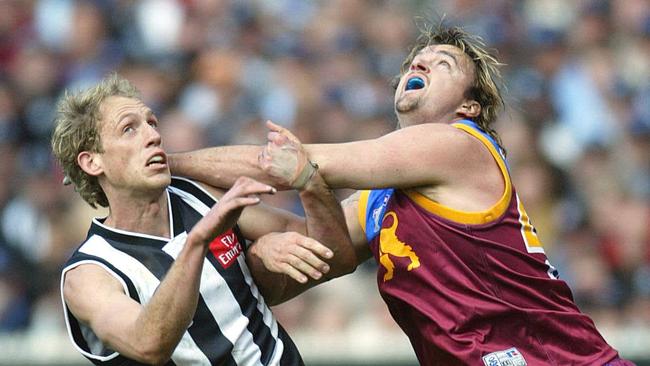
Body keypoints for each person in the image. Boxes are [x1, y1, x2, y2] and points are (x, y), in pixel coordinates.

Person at [167, 24, 634, 365]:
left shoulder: (458, 142)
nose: (421, 63)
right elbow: (316, 243)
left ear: (469, 106)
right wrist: (222, 207)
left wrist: (166, 164)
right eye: (418, 60)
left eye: (443, 64)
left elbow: (289, 164)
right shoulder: (382, 198)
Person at [51, 74, 356, 365]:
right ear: (92, 161)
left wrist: (308, 183)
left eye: (152, 123)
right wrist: (197, 241)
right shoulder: (89, 273)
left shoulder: (197, 195)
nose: (153, 135)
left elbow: (331, 252)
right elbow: (148, 343)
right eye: (129, 128)